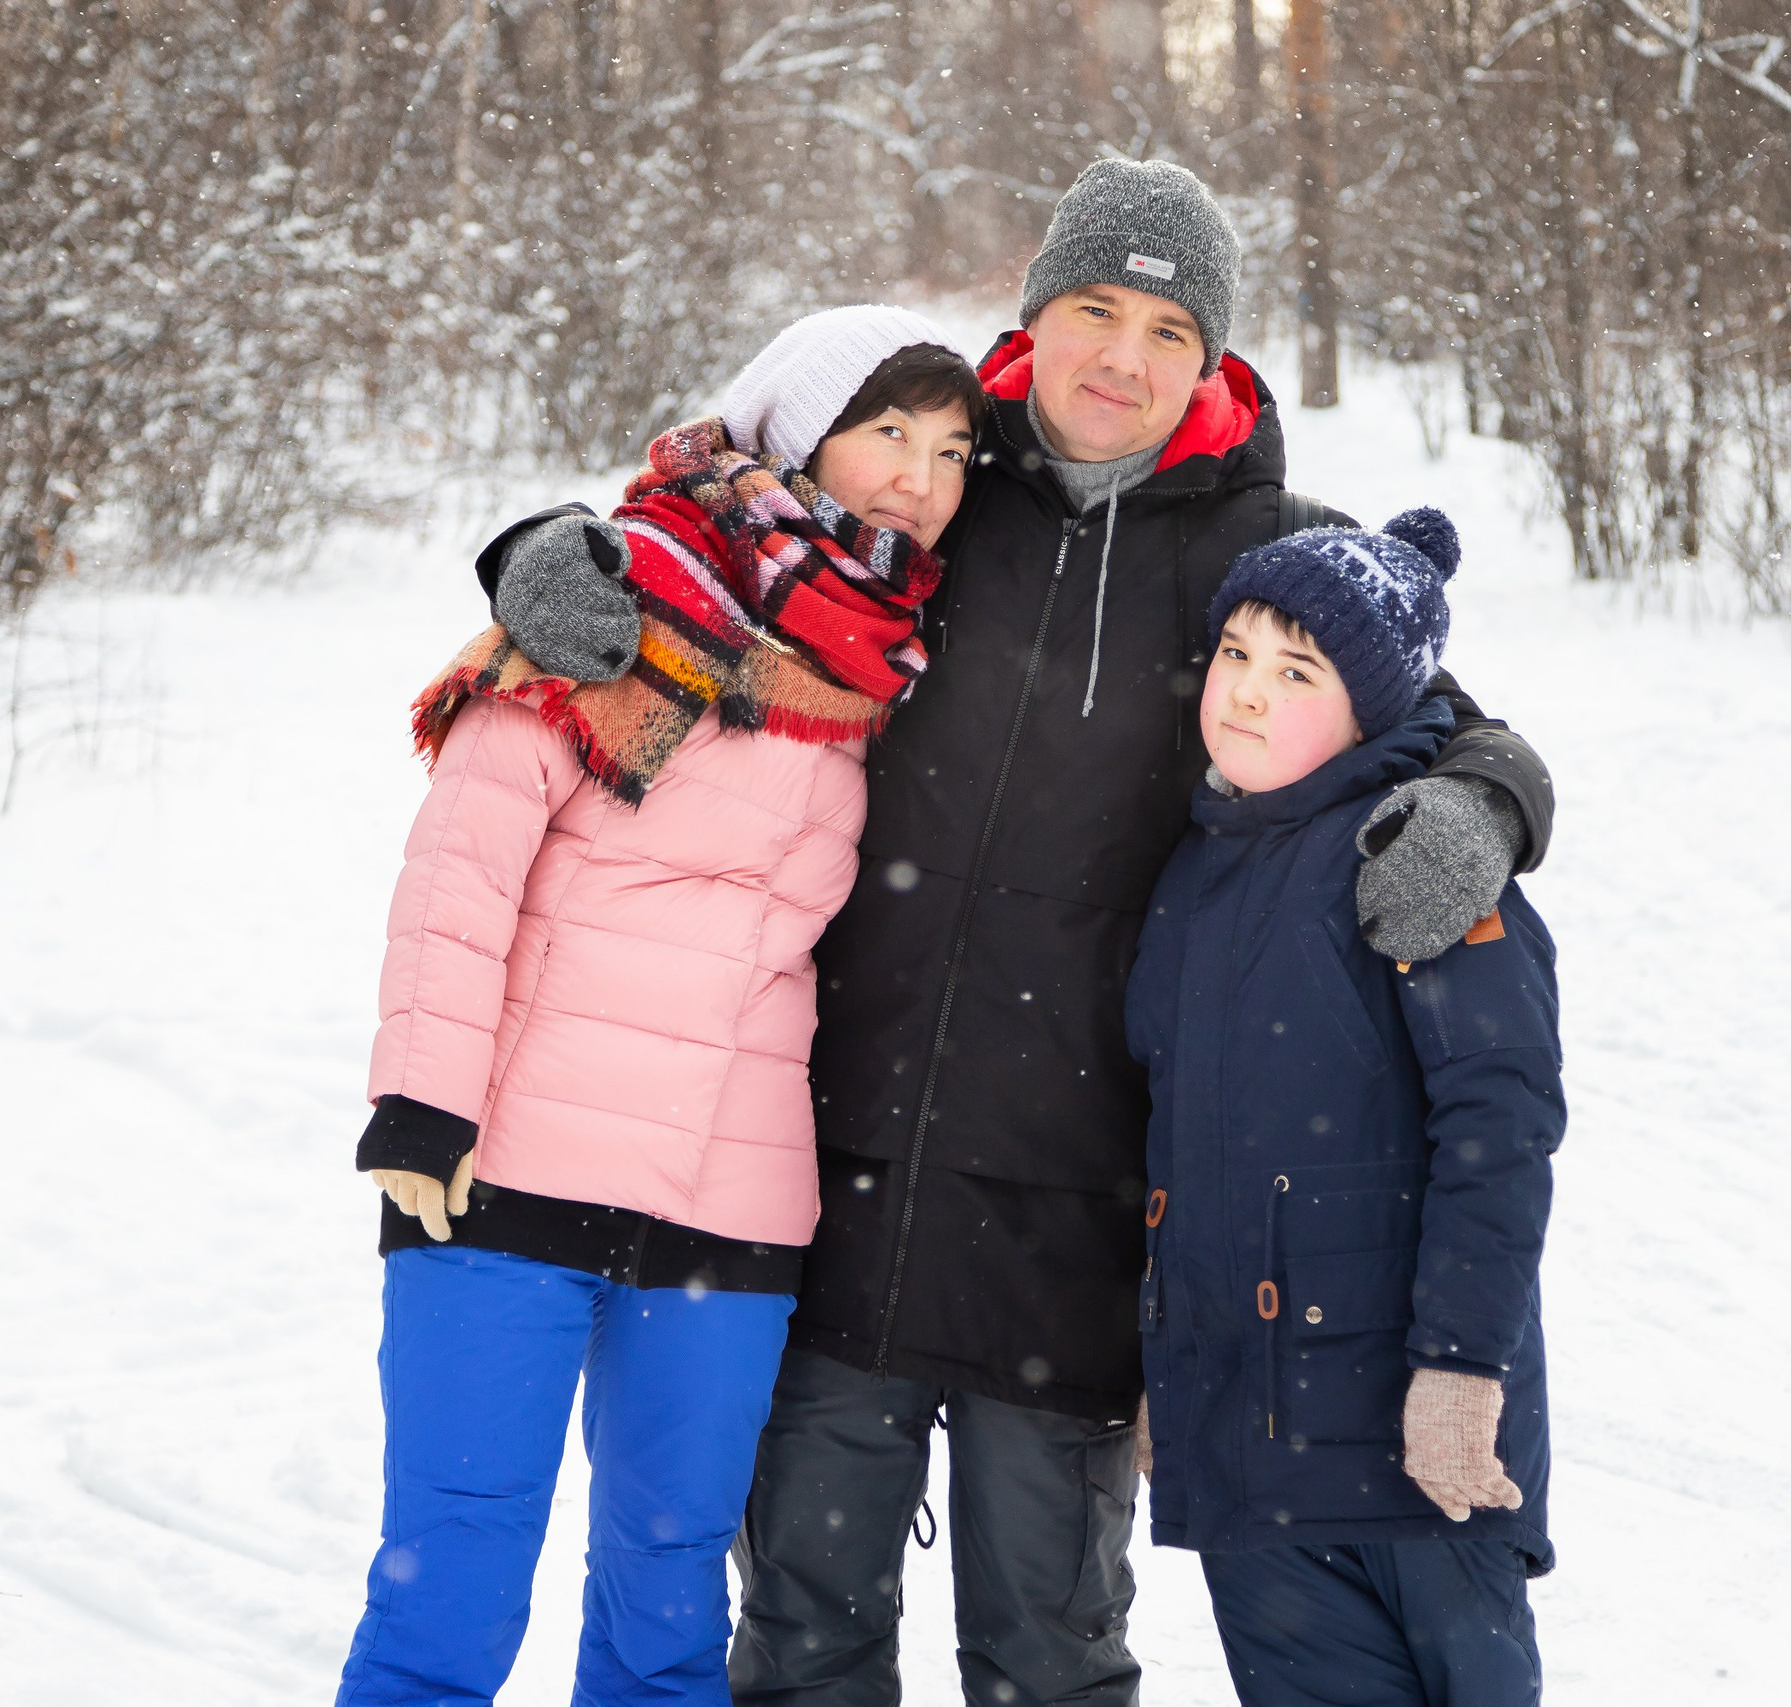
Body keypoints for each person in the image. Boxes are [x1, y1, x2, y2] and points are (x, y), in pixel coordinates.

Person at [481, 159, 1556, 1707]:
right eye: (1094, 310)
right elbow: (709, 504)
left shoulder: (1258, 551)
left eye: (1170, 329)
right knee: (801, 1634)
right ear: (1035, 314)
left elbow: (1440, 719)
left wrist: (1489, 802)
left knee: (1049, 1657)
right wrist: (548, 549)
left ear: (1215, 360)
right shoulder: (929, 488)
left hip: (1070, 1219)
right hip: (828, 1176)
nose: (1123, 357)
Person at [337, 306, 985, 1707]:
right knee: (446, 1587)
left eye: (949, 449)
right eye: (887, 431)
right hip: (502, 1172)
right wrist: (422, 1099)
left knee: (669, 1603)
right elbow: (469, 851)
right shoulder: (618, 595)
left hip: (729, 1206)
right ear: (797, 428)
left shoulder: (905, 657)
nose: (918, 478)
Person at [1124, 508, 1563, 1707]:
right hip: (1247, 1456)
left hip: (1415, 1450)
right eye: (1235, 656)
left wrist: (1465, 1367)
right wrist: (1169, 1364)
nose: (1248, 694)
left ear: (1369, 708)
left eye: (1297, 671)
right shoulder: (1186, 874)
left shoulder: (1422, 852)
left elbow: (1500, 1123)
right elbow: (1168, 1145)